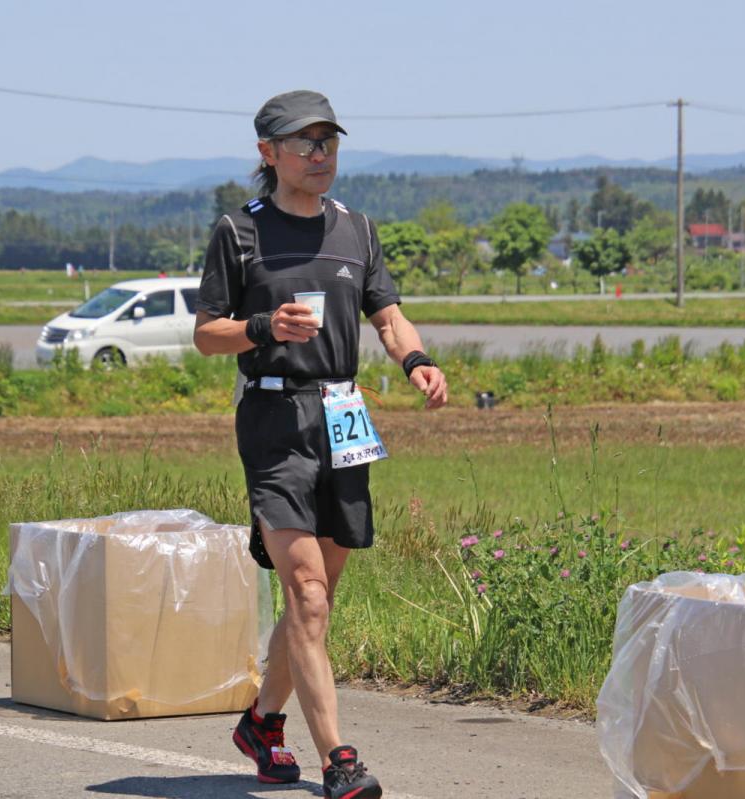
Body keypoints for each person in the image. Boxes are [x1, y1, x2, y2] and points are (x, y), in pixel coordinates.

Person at [194, 90, 447, 799]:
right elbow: (206, 332)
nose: (319, 155)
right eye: (303, 143)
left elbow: (388, 314)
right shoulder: (238, 232)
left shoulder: (356, 229)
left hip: (345, 413)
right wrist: (264, 326)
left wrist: (416, 360)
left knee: (319, 598)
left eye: (328, 142)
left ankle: (261, 720)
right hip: (273, 421)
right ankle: (341, 760)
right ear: (267, 153)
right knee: (304, 590)